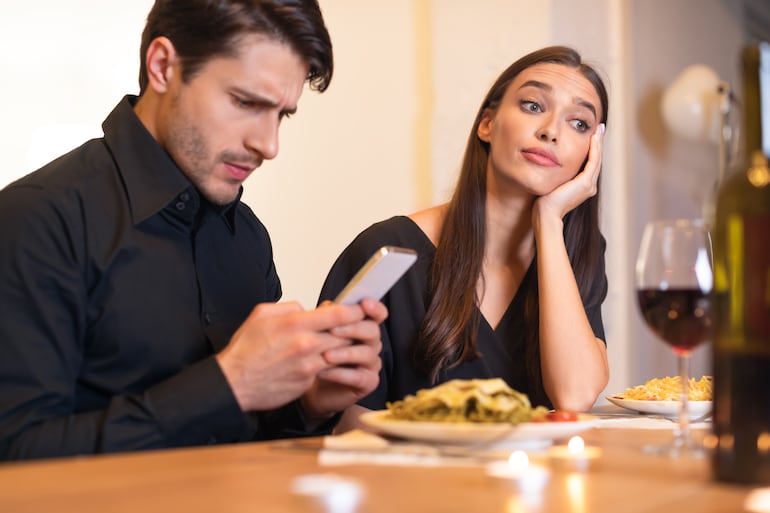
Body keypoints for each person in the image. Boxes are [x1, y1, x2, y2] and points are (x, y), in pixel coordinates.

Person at [0, 0, 387, 460]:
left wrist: (306, 406)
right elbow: (14, 455)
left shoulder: (247, 237)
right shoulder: (38, 218)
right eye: (246, 102)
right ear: (163, 66)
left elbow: (253, 447)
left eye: (281, 114)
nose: (268, 144)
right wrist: (229, 385)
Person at [318, 46, 610, 432]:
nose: (551, 131)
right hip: (413, 486)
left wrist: (550, 220)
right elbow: (338, 418)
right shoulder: (387, 249)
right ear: (487, 124)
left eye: (579, 124)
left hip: (533, 490)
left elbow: (574, 395)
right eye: (533, 106)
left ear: (591, 154)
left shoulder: (576, 255)